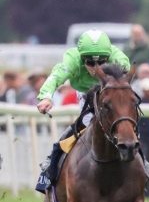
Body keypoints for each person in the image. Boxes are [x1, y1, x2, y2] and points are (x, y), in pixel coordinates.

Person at [34, 30, 134, 191]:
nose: (95, 69)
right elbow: (56, 76)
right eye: (89, 62)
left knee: (126, 123)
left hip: (109, 91)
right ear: (81, 58)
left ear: (108, 58)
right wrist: (46, 97)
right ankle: (51, 163)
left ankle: (143, 163)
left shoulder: (119, 59)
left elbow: (125, 83)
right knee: (86, 124)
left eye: (101, 63)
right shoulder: (72, 58)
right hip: (85, 92)